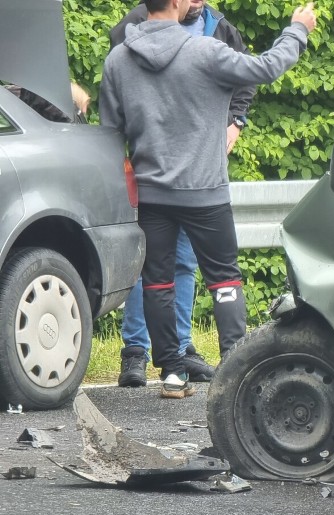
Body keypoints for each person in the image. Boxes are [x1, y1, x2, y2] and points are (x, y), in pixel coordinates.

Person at [100, 0, 316, 398]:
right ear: (179, 3)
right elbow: (266, 68)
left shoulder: (117, 61)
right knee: (225, 281)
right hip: (206, 192)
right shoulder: (205, 51)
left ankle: (171, 374)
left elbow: (110, 134)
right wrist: (296, 29)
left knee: (157, 283)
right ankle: (235, 368)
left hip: (151, 194)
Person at [110, 0, 256, 388]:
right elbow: (259, 69)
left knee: (172, 272)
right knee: (193, 276)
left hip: (168, 181)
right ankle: (139, 353)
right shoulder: (137, 27)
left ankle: (176, 361)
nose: (199, 2)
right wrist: (297, 32)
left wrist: (235, 122)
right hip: (194, 185)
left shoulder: (218, 28)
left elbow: (245, 81)